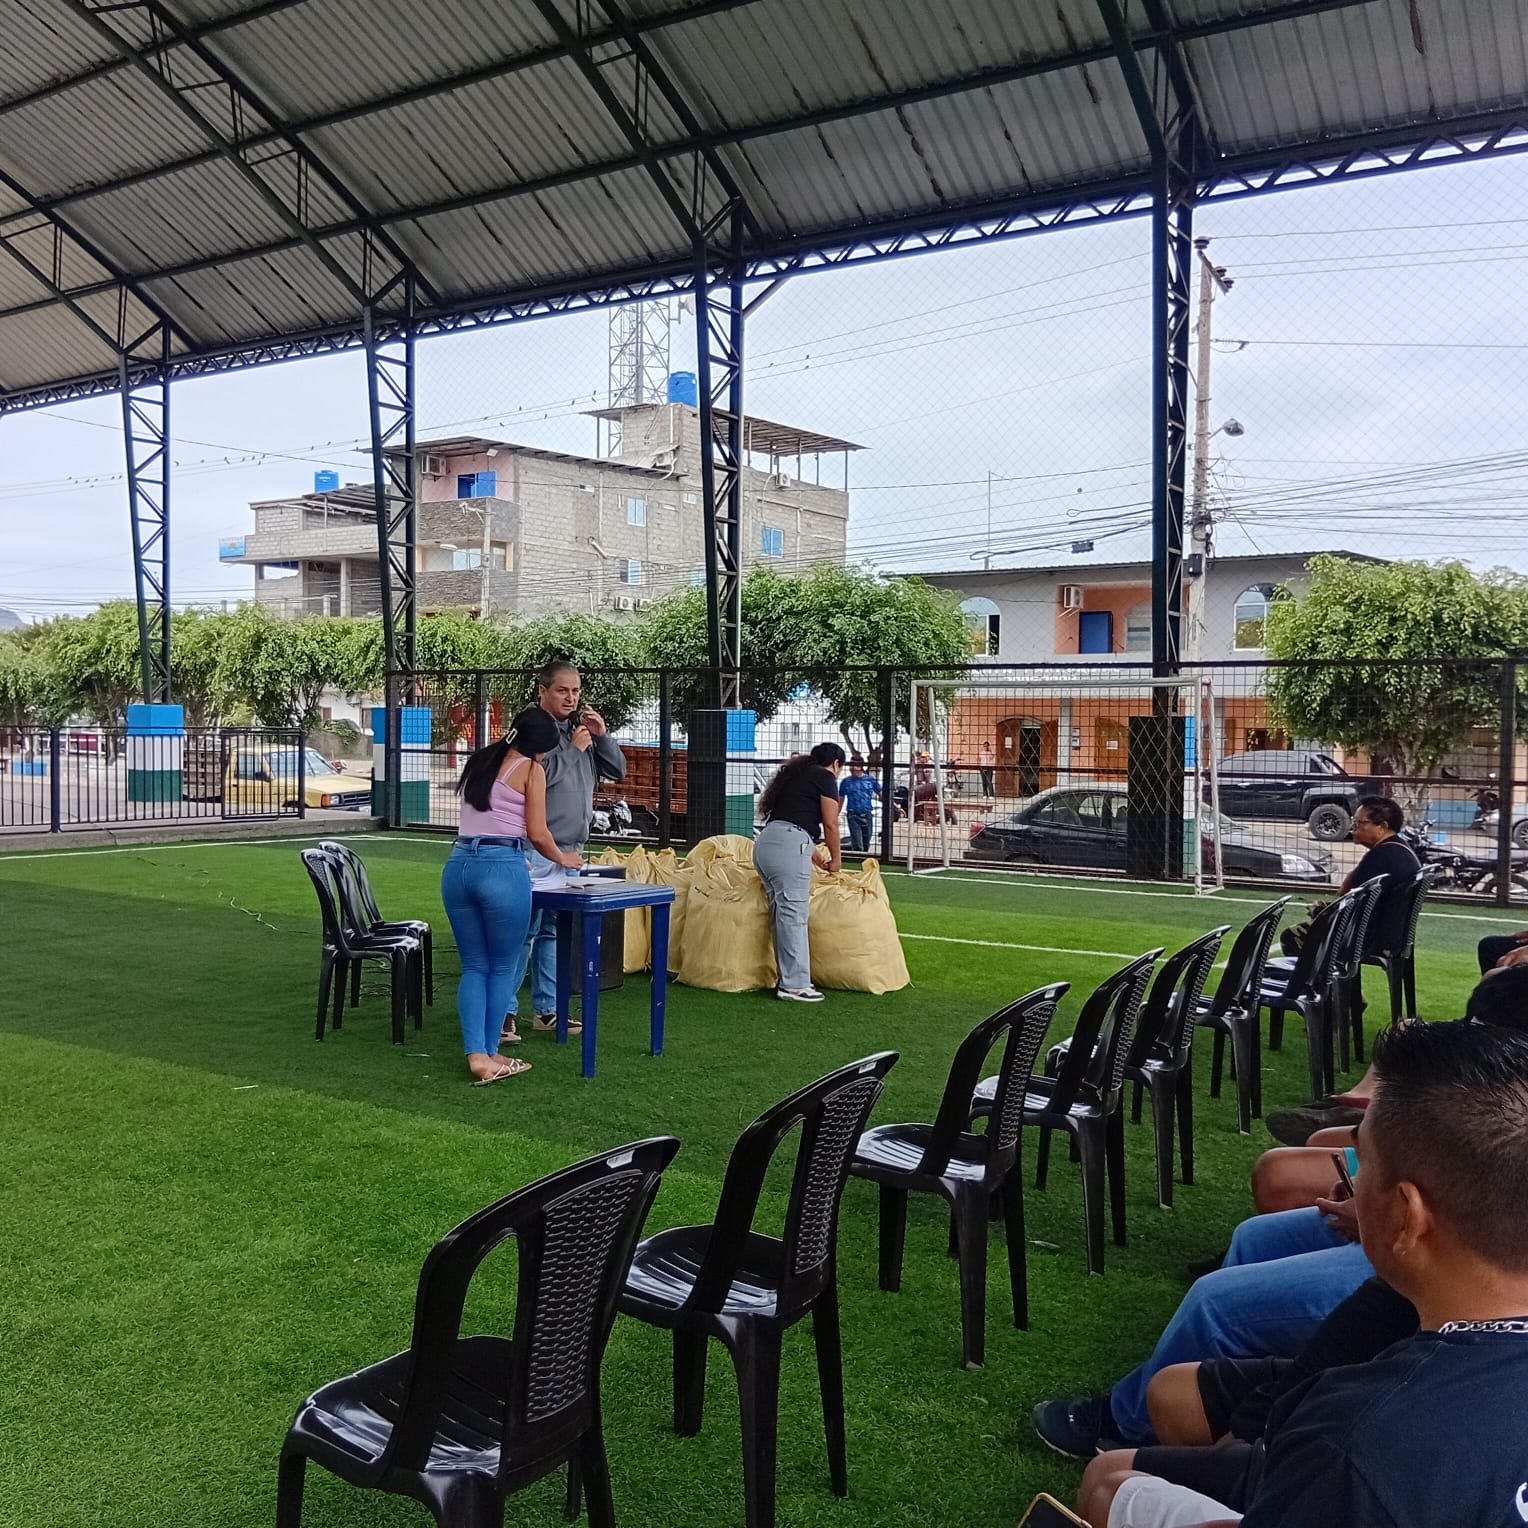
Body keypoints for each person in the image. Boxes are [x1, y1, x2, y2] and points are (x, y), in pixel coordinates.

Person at [1077, 1019, 1528, 1528]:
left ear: (1407, 1216)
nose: (1352, 1181)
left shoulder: (1355, 1441)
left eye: (1363, 1165)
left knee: (1110, 1486)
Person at [441, 708, 581, 1085]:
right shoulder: (531, 770)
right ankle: (487, 1055)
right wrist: (564, 858)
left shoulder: (480, 762)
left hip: (459, 866)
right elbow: (538, 833)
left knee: (474, 966)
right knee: (503, 966)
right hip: (502, 869)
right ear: (540, 747)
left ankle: (477, 1052)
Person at [518, 661, 627, 1034]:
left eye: (576, 691)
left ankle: (547, 1009)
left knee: (552, 930)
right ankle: (503, 1013)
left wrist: (602, 736)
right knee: (524, 932)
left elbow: (617, 770)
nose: (571, 698)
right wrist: (574, 751)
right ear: (543, 691)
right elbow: (536, 778)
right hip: (536, 848)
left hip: (571, 850)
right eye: (562, 690)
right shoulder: (531, 729)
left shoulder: (579, 731)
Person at [753, 742, 845, 1003]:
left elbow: (794, 820)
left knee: (781, 915)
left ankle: (787, 978)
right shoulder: (826, 777)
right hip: (789, 847)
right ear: (836, 764)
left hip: (765, 844)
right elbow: (830, 823)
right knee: (793, 915)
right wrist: (836, 860)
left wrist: (816, 857)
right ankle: (795, 985)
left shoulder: (796, 776)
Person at [838, 756, 881, 855]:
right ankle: (857, 858)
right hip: (853, 815)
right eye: (851, 765)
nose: (852, 768)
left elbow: (882, 794)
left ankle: (863, 859)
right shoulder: (846, 782)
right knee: (857, 843)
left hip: (867, 815)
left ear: (861, 766)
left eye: (855, 765)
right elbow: (840, 799)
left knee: (866, 842)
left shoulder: (870, 780)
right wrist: (836, 815)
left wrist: (895, 807)